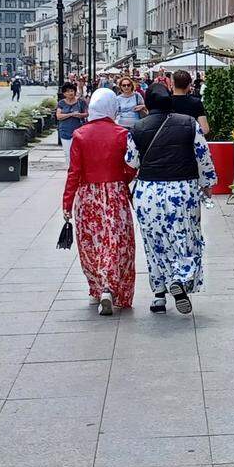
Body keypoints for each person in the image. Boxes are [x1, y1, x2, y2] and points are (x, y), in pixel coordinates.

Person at [126, 84, 217, 314]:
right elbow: (202, 155)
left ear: (147, 104)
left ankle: (159, 295)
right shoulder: (188, 123)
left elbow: (131, 162)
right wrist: (207, 184)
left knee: (155, 244)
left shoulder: (137, 128)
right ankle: (180, 278)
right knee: (186, 239)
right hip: (182, 190)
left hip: (149, 192)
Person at [62, 88, 137, 316]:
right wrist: (122, 179)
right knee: (117, 242)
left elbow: (73, 172)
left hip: (87, 196)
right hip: (115, 193)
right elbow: (131, 167)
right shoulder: (122, 134)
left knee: (92, 243)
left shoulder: (80, 135)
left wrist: (67, 203)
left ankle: (97, 287)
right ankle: (111, 286)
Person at [55, 83, 89, 162]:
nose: (70, 93)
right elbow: (58, 116)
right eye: (67, 92)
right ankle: (70, 172)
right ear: (64, 94)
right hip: (65, 131)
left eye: (71, 91)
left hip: (79, 132)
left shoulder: (81, 102)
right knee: (68, 154)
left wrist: (79, 115)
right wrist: (71, 114)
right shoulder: (61, 103)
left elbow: (87, 114)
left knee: (78, 154)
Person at [170, 70, 210, 136]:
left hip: (169, 140)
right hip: (189, 141)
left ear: (172, 83)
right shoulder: (196, 102)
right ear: (189, 85)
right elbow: (205, 129)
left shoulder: (165, 102)